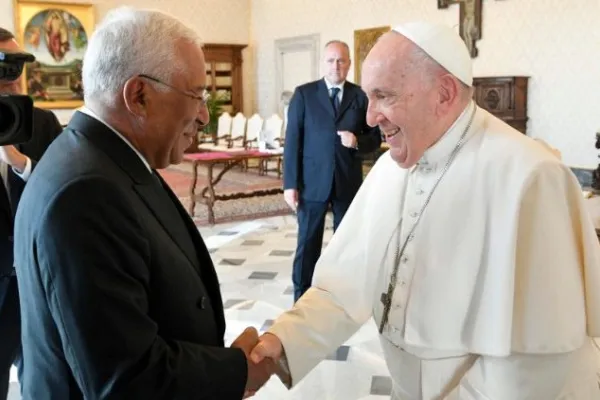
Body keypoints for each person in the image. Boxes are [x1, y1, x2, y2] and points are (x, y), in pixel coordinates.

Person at [250, 21, 600, 399]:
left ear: (444, 93)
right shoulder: (391, 168)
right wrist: (282, 341)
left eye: (384, 96)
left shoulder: (530, 176)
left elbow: (538, 359)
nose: (369, 117)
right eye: (369, 97)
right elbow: (345, 280)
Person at [13, 7, 274, 399]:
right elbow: (125, 378)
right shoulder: (84, 194)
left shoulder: (103, 159)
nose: (203, 115)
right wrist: (238, 372)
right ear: (139, 96)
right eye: (196, 96)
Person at [283, 40, 381, 302]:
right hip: (311, 183)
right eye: (330, 60)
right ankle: (301, 298)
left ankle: (341, 295)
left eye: (341, 60)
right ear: (322, 63)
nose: (336, 66)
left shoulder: (360, 96)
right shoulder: (304, 95)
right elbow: (293, 141)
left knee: (346, 243)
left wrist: (357, 141)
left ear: (349, 64)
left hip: (346, 182)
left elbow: (375, 139)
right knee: (307, 244)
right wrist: (290, 184)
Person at [0, 27, 62, 399]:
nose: (11, 81)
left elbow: (63, 194)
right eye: (4, 70)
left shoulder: (42, 124)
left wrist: (20, 162)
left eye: (16, 70)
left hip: (37, 287)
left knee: (44, 386)